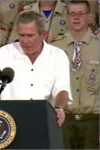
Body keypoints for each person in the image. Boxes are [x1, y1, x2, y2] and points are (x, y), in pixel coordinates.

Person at [0, 11, 72, 127]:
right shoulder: (4, 54)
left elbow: (62, 90)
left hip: (44, 122)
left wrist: (59, 109)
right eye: (21, 35)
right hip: (8, 124)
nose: (24, 41)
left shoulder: (57, 55)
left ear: (44, 35)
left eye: (30, 36)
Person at [51, 1, 99, 149]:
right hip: (63, 121)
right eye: (72, 14)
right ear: (67, 16)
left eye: (81, 14)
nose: (76, 18)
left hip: (93, 122)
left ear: (90, 16)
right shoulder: (54, 48)